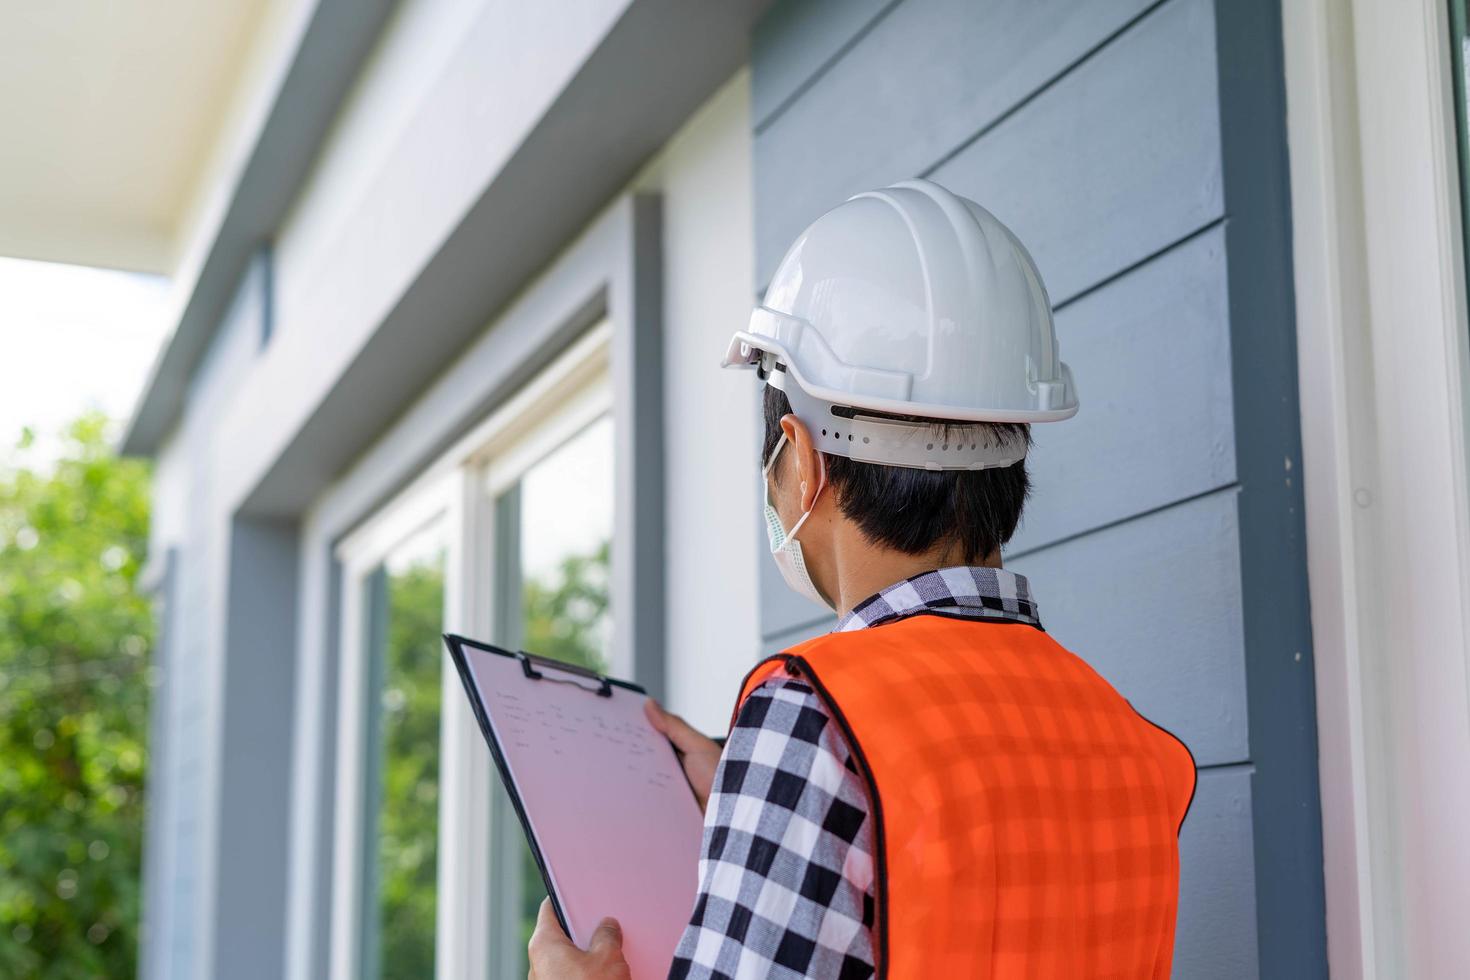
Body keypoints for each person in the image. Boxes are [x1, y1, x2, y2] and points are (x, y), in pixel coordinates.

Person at [527, 179, 1197, 979]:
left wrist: (791, 777)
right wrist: (777, 804)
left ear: (802, 459)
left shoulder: (814, 719)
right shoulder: (1126, 738)